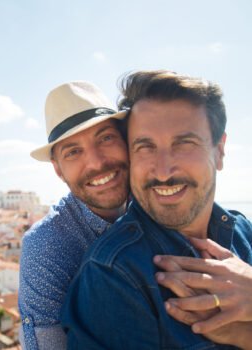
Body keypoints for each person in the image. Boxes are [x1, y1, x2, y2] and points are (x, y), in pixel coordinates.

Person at [61, 70, 252, 349]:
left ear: (219, 151)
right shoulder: (113, 275)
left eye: (184, 143)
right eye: (145, 147)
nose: (163, 172)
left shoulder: (243, 232)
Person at [18, 81, 129, 350]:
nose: (96, 162)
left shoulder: (157, 205)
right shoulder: (46, 246)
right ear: (58, 171)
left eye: (105, 138)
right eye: (73, 152)